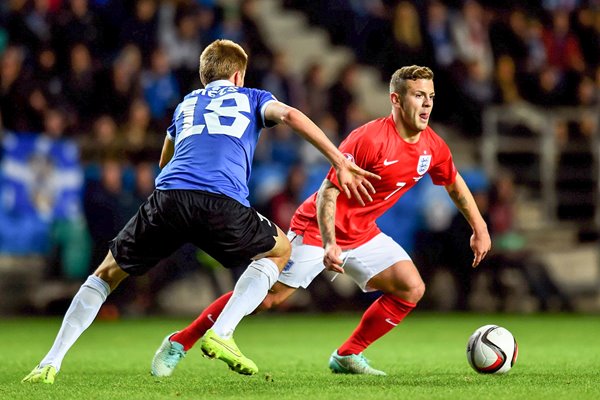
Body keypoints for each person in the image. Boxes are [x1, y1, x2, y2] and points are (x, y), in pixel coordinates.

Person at [22, 39, 379, 384]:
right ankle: (222, 332)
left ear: (204, 76)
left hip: (170, 198)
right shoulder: (252, 97)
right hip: (221, 203)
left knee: (106, 273)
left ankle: (49, 362)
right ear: (239, 75)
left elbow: (165, 160)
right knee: (280, 249)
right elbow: (288, 114)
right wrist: (338, 159)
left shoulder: (186, 104)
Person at [150, 65, 491, 377]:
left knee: (411, 288)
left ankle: (347, 355)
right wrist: (330, 242)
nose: (427, 104)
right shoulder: (370, 139)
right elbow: (328, 192)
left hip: (363, 233)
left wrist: (480, 228)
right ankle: (179, 342)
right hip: (317, 229)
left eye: (430, 96)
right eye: (419, 95)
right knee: (267, 299)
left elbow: (454, 182)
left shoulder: (432, 146)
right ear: (396, 100)